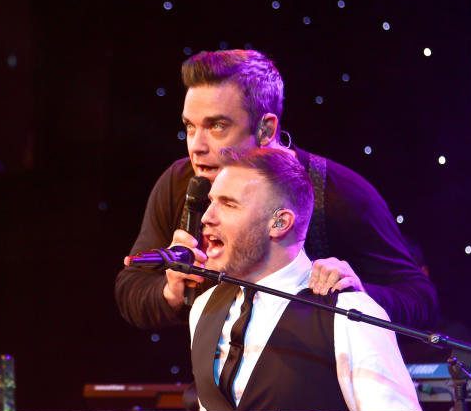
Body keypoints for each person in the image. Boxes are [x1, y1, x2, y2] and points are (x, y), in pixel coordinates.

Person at [116, 49, 437, 331]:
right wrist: (169, 294)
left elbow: (421, 302)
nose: (196, 147)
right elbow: (131, 287)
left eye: (216, 126)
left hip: (314, 395)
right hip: (215, 393)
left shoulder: (339, 194)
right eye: (189, 126)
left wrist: (358, 293)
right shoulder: (179, 183)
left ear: (266, 128)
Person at [182, 147, 426, 411]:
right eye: (211, 201)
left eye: (228, 204)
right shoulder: (203, 308)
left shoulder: (348, 314)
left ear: (280, 222)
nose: (207, 217)